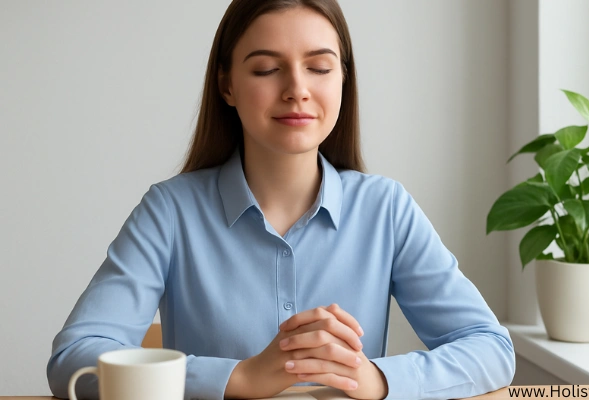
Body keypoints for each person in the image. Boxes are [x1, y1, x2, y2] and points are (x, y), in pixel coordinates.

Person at [47, 0, 516, 399]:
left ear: (343, 81)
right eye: (267, 69)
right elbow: (74, 357)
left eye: (319, 67)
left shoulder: (385, 208)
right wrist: (239, 376)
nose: (297, 90)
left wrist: (378, 379)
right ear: (227, 84)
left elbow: (490, 348)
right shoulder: (170, 211)